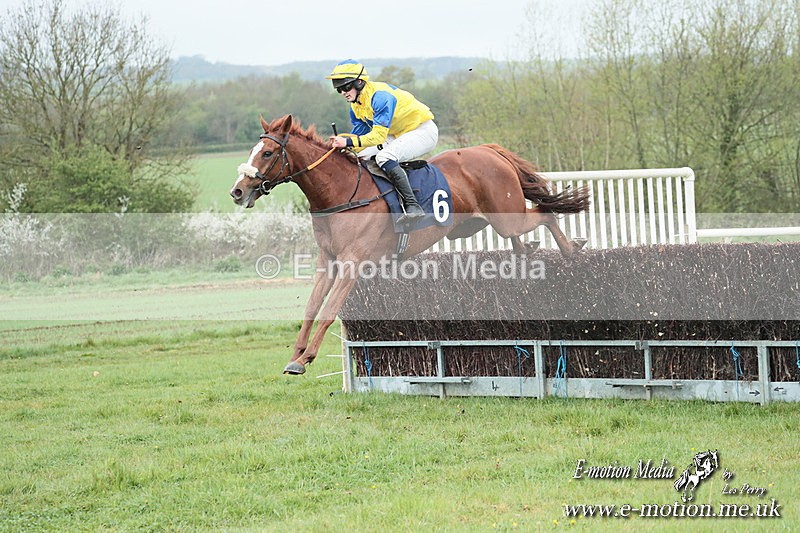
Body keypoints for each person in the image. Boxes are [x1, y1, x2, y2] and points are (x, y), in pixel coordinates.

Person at [326, 59, 438, 223]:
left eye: (345, 86)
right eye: (339, 89)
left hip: (422, 130)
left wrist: (348, 143)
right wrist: (341, 148)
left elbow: (377, 137)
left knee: (384, 157)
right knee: (361, 156)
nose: (343, 92)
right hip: (397, 133)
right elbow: (359, 138)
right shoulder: (355, 105)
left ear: (359, 82)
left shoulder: (380, 97)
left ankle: (413, 205)